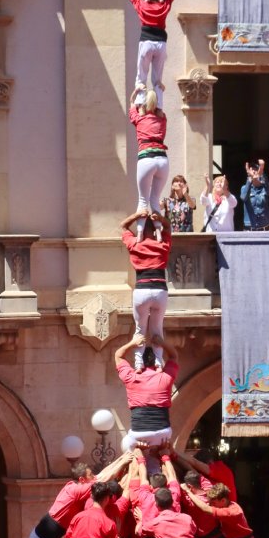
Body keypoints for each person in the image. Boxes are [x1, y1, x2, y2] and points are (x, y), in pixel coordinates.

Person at [121, 209, 171, 370]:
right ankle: (158, 361)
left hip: (141, 289)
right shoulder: (161, 244)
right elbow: (168, 227)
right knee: (157, 328)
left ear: (141, 229)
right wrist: (161, 219)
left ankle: (138, 362)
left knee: (140, 328)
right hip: (160, 290)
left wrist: (136, 216)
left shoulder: (135, 244)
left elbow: (123, 226)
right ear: (155, 229)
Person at [115, 332, 179, 448]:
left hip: (139, 433)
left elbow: (118, 355)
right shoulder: (165, 377)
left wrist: (133, 343)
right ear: (156, 361)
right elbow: (174, 356)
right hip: (164, 433)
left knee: (126, 445)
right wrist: (161, 343)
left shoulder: (131, 377)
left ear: (138, 361)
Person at [128, 0, 175, 110]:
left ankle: (140, 104)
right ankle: (159, 106)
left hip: (146, 42)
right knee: (157, 79)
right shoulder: (163, 7)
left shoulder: (142, 5)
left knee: (141, 76)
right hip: (161, 43)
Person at [129, 88, 169, 240]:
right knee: (155, 199)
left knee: (143, 200)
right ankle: (158, 231)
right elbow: (159, 110)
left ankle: (139, 233)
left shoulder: (139, 119)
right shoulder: (162, 118)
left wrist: (136, 93)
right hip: (162, 160)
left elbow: (132, 105)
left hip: (146, 157)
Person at [240, 159, 269, 231]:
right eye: (251, 170)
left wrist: (261, 172)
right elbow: (243, 197)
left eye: (256, 170)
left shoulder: (267, 187)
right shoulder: (244, 187)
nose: (253, 172)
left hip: (266, 228)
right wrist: (250, 179)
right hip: (249, 229)